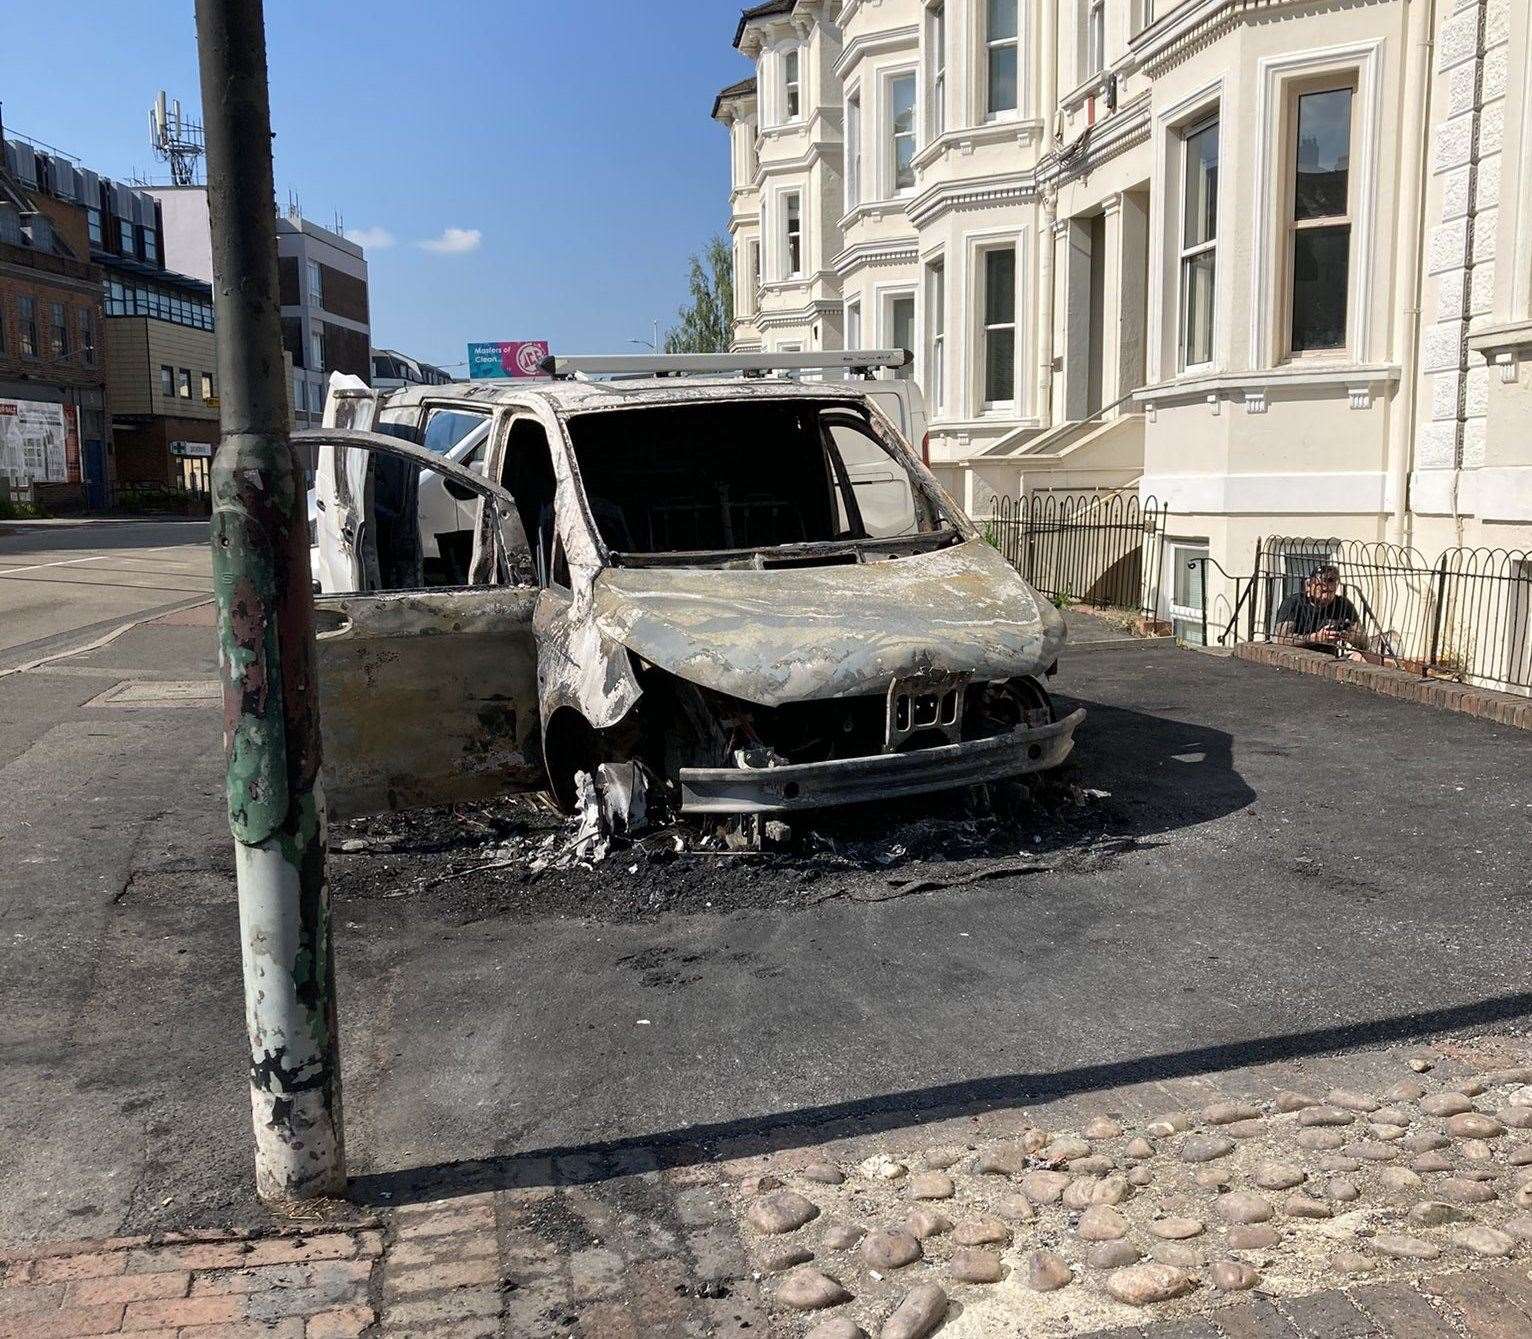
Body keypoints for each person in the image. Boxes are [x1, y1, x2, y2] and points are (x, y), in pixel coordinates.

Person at [1272, 565, 1369, 658]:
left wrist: (1348, 636)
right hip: (1296, 657)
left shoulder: (1343, 604)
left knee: (1368, 658)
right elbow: (1283, 639)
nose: (1327, 595)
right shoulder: (1293, 603)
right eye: (1322, 590)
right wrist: (1316, 638)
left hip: (1330, 658)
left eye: (1331, 591)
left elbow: (1364, 643)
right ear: (1309, 586)